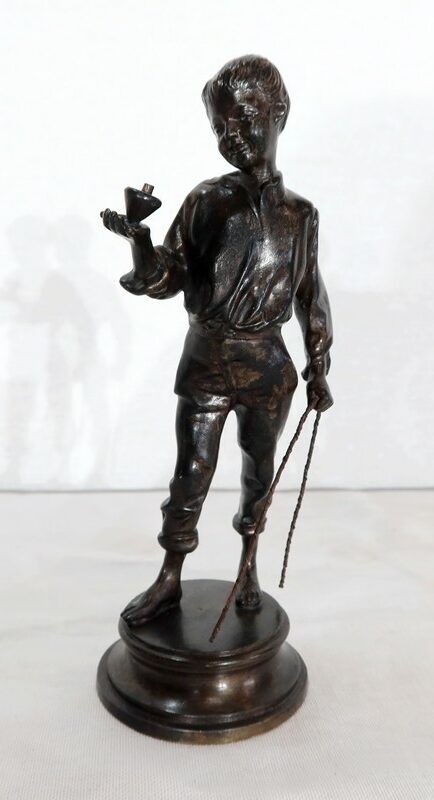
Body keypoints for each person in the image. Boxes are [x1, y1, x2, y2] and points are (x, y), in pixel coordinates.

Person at [102, 54, 333, 627]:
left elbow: (311, 294)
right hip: (207, 358)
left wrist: (318, 364)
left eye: (245, 117)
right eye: (219, 126)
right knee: (191, 470)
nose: (232, 135)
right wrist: (140, 240)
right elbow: (167, 277)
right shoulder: (206, 201)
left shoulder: (301, 215)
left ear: (279, 113)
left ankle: (248, 564)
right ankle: (170, 575)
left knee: (259, 472)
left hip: (268, 367)